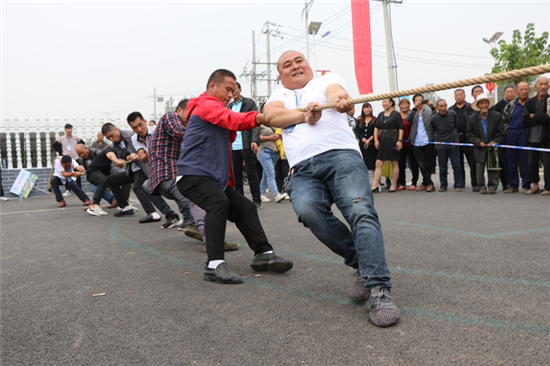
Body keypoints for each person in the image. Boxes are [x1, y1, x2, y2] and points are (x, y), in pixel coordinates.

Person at [264, 50, 400, 327]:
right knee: (307, 210)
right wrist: (304, 117)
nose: (295, 66)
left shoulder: (326, 80)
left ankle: (378, 289)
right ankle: (361, 262)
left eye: (299, 60)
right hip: (301, 168)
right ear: (280, 75)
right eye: (287, 65)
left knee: (361, 211)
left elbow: (338, 93)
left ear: (309, 65)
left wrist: (340, 101)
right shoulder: (278, 94)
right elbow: (272, 116)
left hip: (342, 157)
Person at [176, 69, 293, 285]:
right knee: (217, 203)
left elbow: (227, 132)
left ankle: (263, 254)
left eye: (234, 90)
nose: (231, 94)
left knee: (245, 208)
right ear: (212, 86)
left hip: (211, 178)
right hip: (192, 174)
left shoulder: (214, 108)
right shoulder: (205, 104)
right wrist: (261, 117)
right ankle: (213, 265)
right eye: (228, 89)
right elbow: (231, 119)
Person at [147, 100, 239, 251]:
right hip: (169, 175)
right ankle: (212, 242)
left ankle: (192, 224)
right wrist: (207, 130)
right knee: (196, 202)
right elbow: (178, 132)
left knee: (196, 197)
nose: (192, 118)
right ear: (180, 110)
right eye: (189, 114)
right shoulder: (170, 116)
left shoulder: (179, 128)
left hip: (165, 179)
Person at [103, 121, 181, 227]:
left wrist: (139, 154)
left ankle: (161, 214)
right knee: (111, 179)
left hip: (147, 167)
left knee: (142, 187)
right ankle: (126, 206)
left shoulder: (132, 135)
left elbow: (146, 149)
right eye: (108, 138)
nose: (111, 139)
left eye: (112, 136)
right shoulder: (114, 145)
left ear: (116, 129)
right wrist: (128, 157)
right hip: (133, 170)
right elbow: (123, 155)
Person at [227, 82, 263, 209]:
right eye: (230, 90)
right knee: (237, 176)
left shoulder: (249, 103)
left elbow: (255, 122)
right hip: (233, 146)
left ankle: (257, 200)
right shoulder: (229, 106)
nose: (233, 92)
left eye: (235, 89)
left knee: (252, 173)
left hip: (247, 144)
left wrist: (255, 140)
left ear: (240, 89)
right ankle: (240, 202)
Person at [466, 93, 505, 194]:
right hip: (479, 147)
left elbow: (501, 132)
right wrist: (478, 142)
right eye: (481, 103)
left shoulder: (497, 116)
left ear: (488, 104)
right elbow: (469, 133)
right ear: (478, 105)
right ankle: (481, 186)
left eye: (485, 103)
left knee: (493, 166)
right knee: (479, 167)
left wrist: (495, 141)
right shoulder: (472, 118)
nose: (484, 105)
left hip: (492, 145)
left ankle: (492, 186)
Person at [76, 144, 130, 216]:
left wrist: (117, 161)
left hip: (108, 171)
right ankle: (96, 205)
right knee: (98, 186)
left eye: (82, 153)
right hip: (96, 174)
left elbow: (109, 156)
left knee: (125, 178)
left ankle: (125, 203)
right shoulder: (82, 160)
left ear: (86, 148)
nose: (81, 155)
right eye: (79, 154)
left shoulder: (97, 152)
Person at [502, 81, 531, 193]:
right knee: (511, 160)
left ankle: (526, 185)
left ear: (529, 90)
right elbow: (504, 120)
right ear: (516, 91)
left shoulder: (531, 103)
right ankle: (513, 185)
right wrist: (506, 133)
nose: (523, 92)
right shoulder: (511, 105)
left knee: (525, 160)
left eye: (525, 89)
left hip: (525, 133)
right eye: (521, 89)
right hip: (511, 134)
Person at [522, 76, 550, 195]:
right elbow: (525, 119)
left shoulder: (549, 101)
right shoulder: (530, 102)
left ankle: (548, 187)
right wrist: (542, 117)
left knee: (548, 164)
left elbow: (549, 119)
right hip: (531, 138)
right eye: (541, 84)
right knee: (531, 164)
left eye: (545, 84)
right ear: (535, 86)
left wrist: (534, 116)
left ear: (548, 87)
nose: (543, 87)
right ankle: (535, 186)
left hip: (546, 138)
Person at [370, 98, 403, 192]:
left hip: (393, 138)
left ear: (391, 102)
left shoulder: (396, 114)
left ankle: (394, 184)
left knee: (394, 162)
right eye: (383, 102)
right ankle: (375, 185)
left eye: (385, 101)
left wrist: (399, 140)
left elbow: (401, 128)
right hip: (382, 139)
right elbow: (376, 127)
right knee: (378, 163)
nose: (384, 103)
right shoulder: (380, 114)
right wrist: (376, 139)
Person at [449, 89, 478, 192]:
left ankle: (475, 183)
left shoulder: (470, 107)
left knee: (472, 161)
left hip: (469, 137)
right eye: (457, 95)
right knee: (458, 162)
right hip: (456, 137)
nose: (459, 97)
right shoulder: (451, 109)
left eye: (461, 95)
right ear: (454, 97)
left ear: (465, 96)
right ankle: (460, 183)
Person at [431, 99, 463, 192]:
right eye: (440, 106)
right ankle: (443, 185)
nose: (443, 108)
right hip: (441, 145)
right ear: (437, 107)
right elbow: (434, 130)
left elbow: (456, 126)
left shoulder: (452, 114)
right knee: (442, 166)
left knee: (456, 165)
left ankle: (458, 184)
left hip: (453, 143)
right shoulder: (434, 118)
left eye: (444, 105)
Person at [407, 94, 436, 192]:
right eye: (417, 100)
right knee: (422, 165)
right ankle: (430, 184)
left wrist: (432, 106)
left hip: (428, 141)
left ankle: (425, 183)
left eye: (421, 100)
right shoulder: (413, 113)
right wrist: (414, 108)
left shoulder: (428, 112)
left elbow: (436, 117)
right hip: (415, 142)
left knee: (428, 165)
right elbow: (408, 119)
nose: (419, 102)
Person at [257, 125, 287, 203]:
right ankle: (276, 194)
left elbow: (282, 132)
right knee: (271, 173)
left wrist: (279, 136)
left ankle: (261, 193)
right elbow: (255, 138)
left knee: (266, 174)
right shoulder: (259, 125)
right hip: (264, 151)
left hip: (275, 152)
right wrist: (269, 138)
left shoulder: (273, 123)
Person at [52, 123, 86, 194]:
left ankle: (80, 189)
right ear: (65, 130)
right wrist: (61, 152)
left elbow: (83, 143)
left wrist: (79, 152)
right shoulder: (61, 139)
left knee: (78, 174)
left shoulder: (76, 138)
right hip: (66, 160)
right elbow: (55, 145)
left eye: (70, 129)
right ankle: (68, 190)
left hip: (75, 158)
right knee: (67, 174)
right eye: (67, 129)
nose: (69, 130)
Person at [397, 98, 419, 191]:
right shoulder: (397, 115)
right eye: (402, 104)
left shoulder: (412, 114)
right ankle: (402, 182)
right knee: (401, 164)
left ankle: (414, 182)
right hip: (401, 143)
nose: (404, 106)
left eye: (406, 104)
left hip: (412, 143)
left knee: (414, 164)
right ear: (400, 106)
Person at [354, 102, 377, 172]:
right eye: (365, 108)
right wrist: (364, 140)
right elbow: (358, 132)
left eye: (368, 107)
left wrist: (370, 140)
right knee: (363, 163)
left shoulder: (375, 119)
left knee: (374, 164)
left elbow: (376, 131)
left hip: (372, 144)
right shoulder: (359, 121)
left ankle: (376, 182)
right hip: (362, 145)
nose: (367, 109)